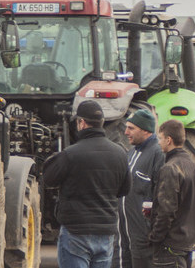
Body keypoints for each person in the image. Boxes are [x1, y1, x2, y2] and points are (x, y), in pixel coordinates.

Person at [44, 101, 132, 268]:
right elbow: (125, 189)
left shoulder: (70, 154)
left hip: (76, 232)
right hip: (106, 232)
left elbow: (48, 179)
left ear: (82, 123)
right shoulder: (120, 153)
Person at [148, 120, 195, 268]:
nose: (159, 143)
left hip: (170, 245)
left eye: (160, 138)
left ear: (169, 140)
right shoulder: (194, 167)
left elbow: (167, 210)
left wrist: (155, 237)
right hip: (187, 242)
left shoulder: (170, 168)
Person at [116, 110, 165, 268]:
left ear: (145, 130)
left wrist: (152, 228)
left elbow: (162, 193)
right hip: (126, 233)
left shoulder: (157, 154)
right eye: (126, 127)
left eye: (131, 128)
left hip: (143, 235)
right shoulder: (131, 153)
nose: (126, 132)